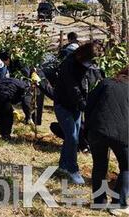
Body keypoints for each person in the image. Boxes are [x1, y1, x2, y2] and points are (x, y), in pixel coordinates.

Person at [54, 42, 104, 184]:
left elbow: (92, 80)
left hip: (75, 106)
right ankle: (73, 169)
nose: (92, 64)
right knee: (72, 137)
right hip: (63, 105)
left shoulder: (86, 65)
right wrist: (84, 104)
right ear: (84, 55)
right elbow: (73, 88)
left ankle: (63, 166)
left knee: (73, 136)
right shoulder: (68, 65)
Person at [85, 66, 128, 214]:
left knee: (99, 166)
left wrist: (88, 127)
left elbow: (89, 102)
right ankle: (118, 204)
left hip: (97, 130)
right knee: (127, 167)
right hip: (121, 133)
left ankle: (99, 202)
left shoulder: (106, 82)